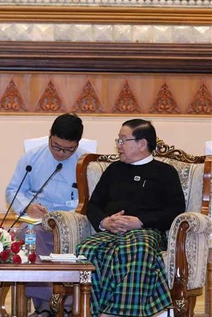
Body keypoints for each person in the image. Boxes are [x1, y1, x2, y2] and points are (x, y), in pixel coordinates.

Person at [76, 119, 185, 317]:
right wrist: (105, 221)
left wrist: (140, 221)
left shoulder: (165, 173)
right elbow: (93, 205)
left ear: (142, 144)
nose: (118, 145)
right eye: (118, 140)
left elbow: (176, 211)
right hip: (111, 232)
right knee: (86, 249)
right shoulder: (113, 170)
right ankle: (93, 310)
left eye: (122, 140)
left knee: (138, 249)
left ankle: (116, 313)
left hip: (146, 232)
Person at [5, 113, 85, 317]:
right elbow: (13, 190)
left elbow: (90, 199)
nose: (61, 153)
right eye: (56, 146)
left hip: (71, 222)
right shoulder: (32, 158)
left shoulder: (84, 163)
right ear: (50, 136)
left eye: (68, 149)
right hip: (37, 219)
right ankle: (44, 307)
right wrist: (28, 206)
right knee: (32, 235)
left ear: (77, 144)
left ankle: (68, 307)